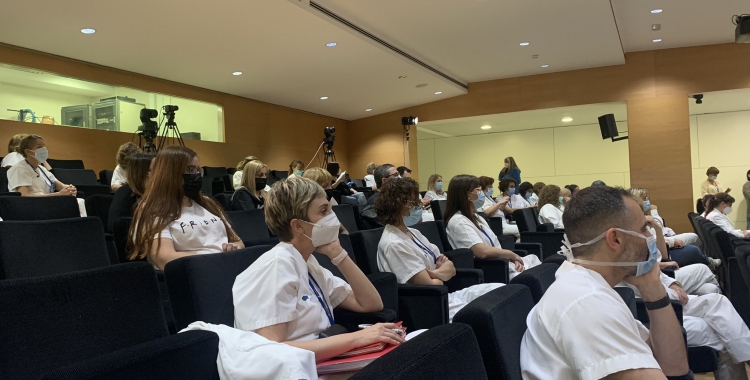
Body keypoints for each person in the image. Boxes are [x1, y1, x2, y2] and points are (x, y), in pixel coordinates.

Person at [521, 186, 690, 379]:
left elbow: (673, 366)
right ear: (615, 239)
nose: (650, 237)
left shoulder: (593, 288)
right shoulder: (586, 302)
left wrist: (652, 288)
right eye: (644, 229)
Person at [232, 176, 403, 363]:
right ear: (298, 226)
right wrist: (358, 338)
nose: (333, 217)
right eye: (324, 211)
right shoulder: (276, 266)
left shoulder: (308, 262)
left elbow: (370, 304)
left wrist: (337, 253)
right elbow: (272, 350)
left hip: (321, 361)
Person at [374, 177, 504, 321]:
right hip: (431, 305)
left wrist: (435, 273)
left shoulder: (414, 232)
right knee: (488, 310)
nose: (419, 205)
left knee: (498, 289)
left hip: (446, 296)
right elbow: (431, 285)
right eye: (413, 201)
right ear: (399, 204)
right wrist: (440, 275)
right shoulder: (394, 243)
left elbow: (451, 268)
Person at [128, 146, 244, 270]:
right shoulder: (152, 209)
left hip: (227, 267)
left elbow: (238, 241)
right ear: (169, 173)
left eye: (198, 170)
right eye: (190, 169)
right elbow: (164, 258)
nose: (196, 175)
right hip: (194, 275)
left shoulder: (207, 203)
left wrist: (234, 248)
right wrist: (214, 260)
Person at [444, 174, 541, 280]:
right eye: (477, 189)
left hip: (504, 262)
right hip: (493, 268)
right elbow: (482, 252)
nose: (481, 193)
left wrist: (512, 259)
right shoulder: (458, 221)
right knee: (535, 276)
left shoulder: (476, 217)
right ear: (466, 195)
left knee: (534, 259)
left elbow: (494, 245)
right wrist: (511, 255)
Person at [628, 188, 717, 268]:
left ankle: (703, 259)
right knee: (693, 251)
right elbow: (654, 233)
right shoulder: (635, 219)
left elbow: (659, 229)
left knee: (693, 237)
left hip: (662, 242)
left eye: (647, 198)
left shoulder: (644, 213)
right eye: (644, 199)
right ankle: (705, 262)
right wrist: (672, 242)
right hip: (658, 251)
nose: (647, 201)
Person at [8, 134, 77, 198]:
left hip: (45, 203)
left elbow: (60, 186)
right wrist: (58, 194)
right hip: (29, 206)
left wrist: (69, 189)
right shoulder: (19, 168)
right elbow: (24, 195)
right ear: (28, 151)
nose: (44, 149)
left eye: (44, 146)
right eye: (39, 147)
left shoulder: (42, 169)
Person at [108, 153, 154, 231]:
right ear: (143, 173)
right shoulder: (124, 193)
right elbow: (116, 227)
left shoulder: (153, 191)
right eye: (155, 170)